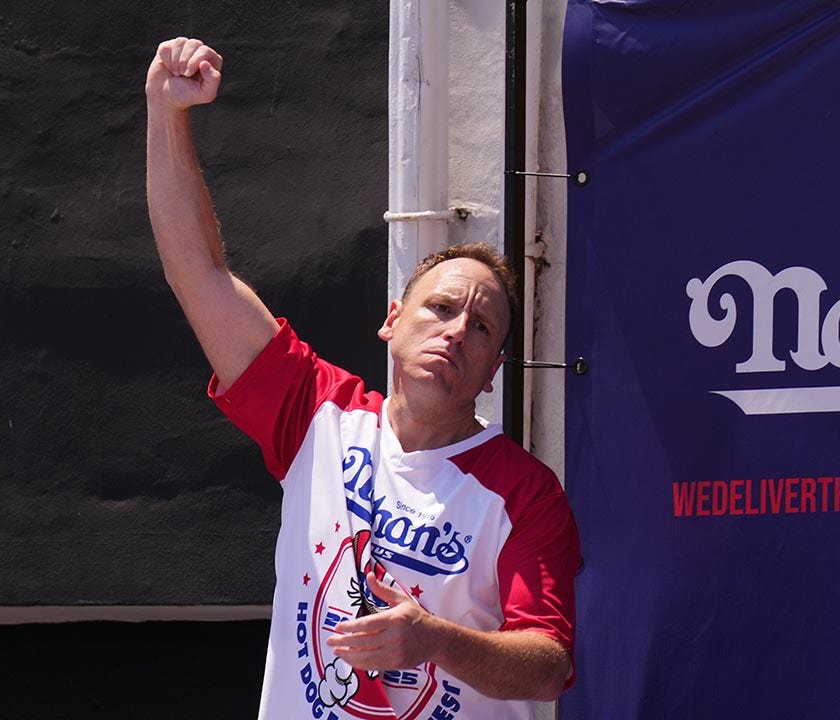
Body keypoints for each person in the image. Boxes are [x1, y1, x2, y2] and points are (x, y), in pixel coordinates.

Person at [145, 36, 579, 719]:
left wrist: (433, 639)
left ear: (494, 373)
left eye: (482, 328)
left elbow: (548, 664)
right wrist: (165, 111)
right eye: (440, 308)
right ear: (391, 321)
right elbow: (197, 274)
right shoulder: (317, 413)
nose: (456, 331)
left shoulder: (525, 495)